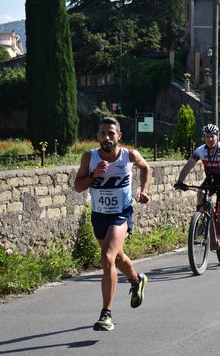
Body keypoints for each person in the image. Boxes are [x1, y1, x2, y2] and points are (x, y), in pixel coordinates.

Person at [74, 116, 151, 332]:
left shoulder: (129, 156)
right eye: (102, 134)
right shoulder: (89, 157)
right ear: (97, 136)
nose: (107, 137)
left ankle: (106, 314)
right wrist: (93, 175)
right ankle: (137, 280)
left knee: (107, 257)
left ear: (119, 136)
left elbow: (146, 168)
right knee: (116, 258)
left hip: (121, 213)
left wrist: (143, 191)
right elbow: (78, 187)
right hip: (99, 215)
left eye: (111, 133)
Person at [174, 124, 220, 257]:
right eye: (207, 137)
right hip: (211, 180)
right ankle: (201, 219)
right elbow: (188, 166)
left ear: (217, 137)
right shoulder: (200, 150)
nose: (210, 139)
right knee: (200, 194)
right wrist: (180, 181)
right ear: (204, 138)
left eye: (212, 137)